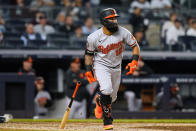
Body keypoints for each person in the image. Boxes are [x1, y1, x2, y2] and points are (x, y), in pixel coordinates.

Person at [84, 8, 140, 130]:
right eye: (111, 19)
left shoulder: (123, 32)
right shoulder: (93, 37)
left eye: (115, 18)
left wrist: (134, 61)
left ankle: (99, 100)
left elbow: (135, 46)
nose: (115, 21)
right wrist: (88, 69)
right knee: (106, 89)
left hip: (117, 66)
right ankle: (107, 120)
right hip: (101, 65)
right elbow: (88, 55)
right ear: (104, 21)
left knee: (112, 98)